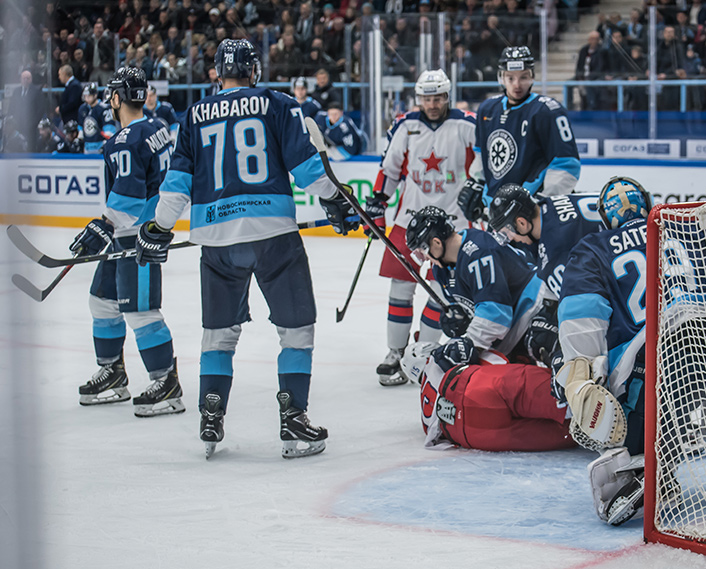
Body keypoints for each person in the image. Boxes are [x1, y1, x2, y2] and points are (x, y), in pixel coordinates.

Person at [146, 39, 359, 460]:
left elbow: (177, 185)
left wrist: (159, 226)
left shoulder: (195, 114)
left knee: (218, 333)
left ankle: (211, 414)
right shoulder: (276, 104)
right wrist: (336, 198)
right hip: (273, 235)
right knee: (296, 330)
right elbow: (306, 168)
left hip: (218, 241)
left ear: (216, 73)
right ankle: (293, 419)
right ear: (253, 70)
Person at [557, 177, 706, 526]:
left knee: (619, 415)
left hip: (654, 362)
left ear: (606, 218)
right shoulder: (692, 232)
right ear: (648, 205)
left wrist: (581, 382)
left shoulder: (593, 248)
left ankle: (650, 460)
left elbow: (582, 326)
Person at [71, 66, 185, 418]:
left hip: (137, 237)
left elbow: (131, 195)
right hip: (130, 232)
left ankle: (166, 381)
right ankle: (114, 373)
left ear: (117, 98)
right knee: (102, 301)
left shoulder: (123, 140)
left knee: (140, 310)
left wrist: (103, 224)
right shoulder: (158, 128)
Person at [365, 69, 477, 386]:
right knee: (400, 290)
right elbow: (389, 170)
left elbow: (483, 161)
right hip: (409, 224)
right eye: (427, 98)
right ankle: (395, 353)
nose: (432, 103)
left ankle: (425, 351)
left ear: (447, 96)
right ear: (419, 99)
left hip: (452, 226)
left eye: (438, 97)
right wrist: (378, 201)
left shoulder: (466, 124)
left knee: (441, 293)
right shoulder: (406, 125)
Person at [487, 184, 607, 366]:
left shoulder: (556, 250)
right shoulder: (548, 203)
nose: (511, 239)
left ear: (521, 223)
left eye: (507, 232)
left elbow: (583, 311)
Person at [457, 46, 581, 223]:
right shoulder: (487, 109)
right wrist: (477, 182)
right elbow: (482, 153)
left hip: (529, 212)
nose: (517, 84)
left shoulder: (548, 111)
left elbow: (567, 163)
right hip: (495, 210)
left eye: (523, 77)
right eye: (510, 78)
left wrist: (543, 202)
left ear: (532, 77)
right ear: (501, 77)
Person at [404, 206, 544, 358]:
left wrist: (467, 345)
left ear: (437, 243)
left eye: (422, 252)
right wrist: (459, 317)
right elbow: (473, 307)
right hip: (511, 327)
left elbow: (496, 314)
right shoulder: (442, 269)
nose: (425, 259)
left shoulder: (480, 252)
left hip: (533, 311)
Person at [401, 339, 573, 452]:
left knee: (571, 433)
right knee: (567, 399)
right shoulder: (438, 357)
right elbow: (498, 362)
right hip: (474, 387)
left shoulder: (425, 407)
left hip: (470, 434)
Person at [78, 81, 117, 154]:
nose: (86, 98)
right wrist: (79, 139)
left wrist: (107, 142)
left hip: (100, 146)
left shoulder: (103, 108)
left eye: (89, 96)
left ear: (95, 95)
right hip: (87, 147)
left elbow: (109, 129)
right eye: (85, 96)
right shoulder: (83, 108)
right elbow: (81, 127)